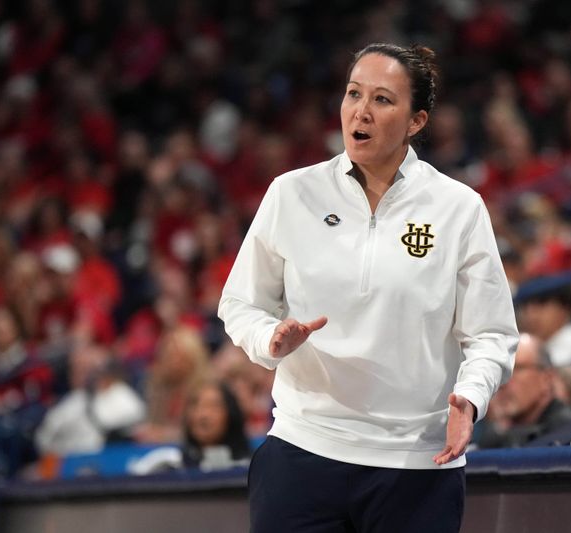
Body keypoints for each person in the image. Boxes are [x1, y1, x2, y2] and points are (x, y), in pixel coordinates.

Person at [218, 42, 518, 533]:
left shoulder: (459, 208)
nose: (361, 110)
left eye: (382, 99)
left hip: (419, 466)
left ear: (416, 121)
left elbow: (491, 333)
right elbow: (240, 303)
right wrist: (268, 339)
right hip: (303, 452)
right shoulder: (291, 193)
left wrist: (471, 395)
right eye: (353, 93)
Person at [477, 333, 571, 449]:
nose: (502, 383)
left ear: (546, 379)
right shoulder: (495, 437)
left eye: (515, 370)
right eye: (498, 372)